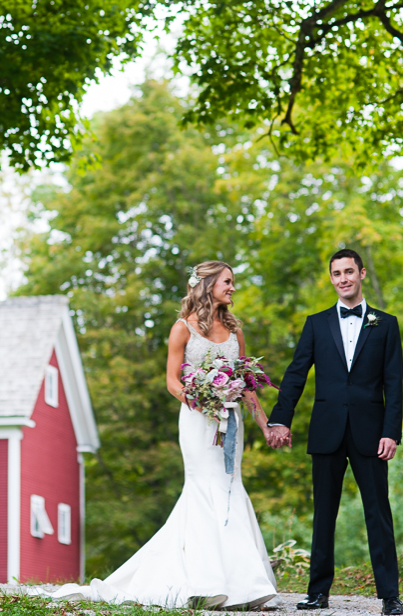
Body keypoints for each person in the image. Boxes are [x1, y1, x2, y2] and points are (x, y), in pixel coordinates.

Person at [47, 261, 278, 609]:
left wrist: (266, 424)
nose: (233, 288)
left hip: (230, 424)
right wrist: (198, 398)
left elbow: (246, 386)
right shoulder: (182, 329)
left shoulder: (236, 332)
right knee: (204, 489)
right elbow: (172, 381)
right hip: (198, 421)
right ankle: (206, 583)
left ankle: (247, 587)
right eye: (228, 282)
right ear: (208, 284)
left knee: (230, 488)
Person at [265, 248, 403, 614]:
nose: (342, 278)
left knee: (378, 512)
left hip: (371, 433)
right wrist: (280, 419)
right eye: (336, 273)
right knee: (323, 513)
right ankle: (318, 592)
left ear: (360, 273)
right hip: (326, 430)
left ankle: (390, 596)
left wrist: (391, 431)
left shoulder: (385, 323)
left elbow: (395, 382)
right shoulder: (316, 323)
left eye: (348, 272)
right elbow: (296, 375)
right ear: (331, 279)